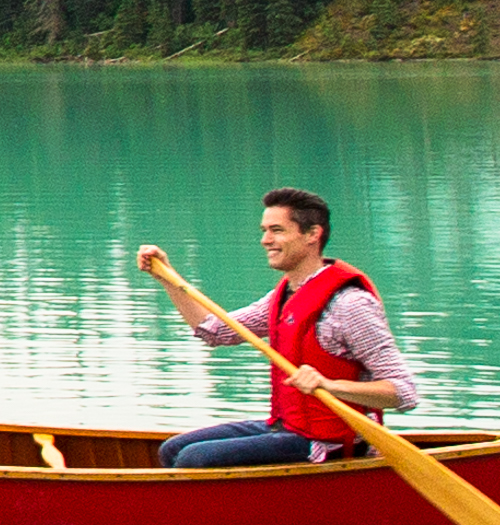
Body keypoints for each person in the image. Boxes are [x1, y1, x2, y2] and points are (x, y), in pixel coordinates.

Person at [133, 188, 413, 468]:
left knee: (194, 458)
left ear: (312, 234)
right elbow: (215, 332)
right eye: (264, 230)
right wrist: (167, 277)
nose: (265, 240)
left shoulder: (350, 305)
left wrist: (329, 385)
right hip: (288, 426)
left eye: (277, 230)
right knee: (172, 449)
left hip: (331, 442)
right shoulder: (283, 297)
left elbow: (403, 392)